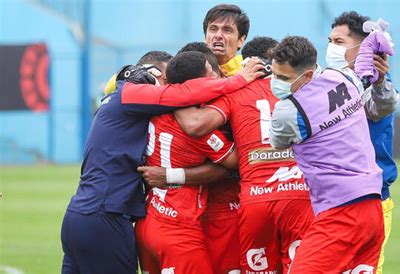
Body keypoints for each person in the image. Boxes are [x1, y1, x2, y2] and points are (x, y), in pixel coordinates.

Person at [60, 50, 264, 273]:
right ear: (151, 73)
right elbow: (186, 98)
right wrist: (240, 80)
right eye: (168, 80)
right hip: (109, 218)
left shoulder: (126, 104)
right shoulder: (133, 95)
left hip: (83, 216)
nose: (170, 85)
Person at [172, 36, 314, 273]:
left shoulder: (235, 91)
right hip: (299, 197)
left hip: (256, 201)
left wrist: (170, 92)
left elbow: (195, 124)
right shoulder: (301, 89)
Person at [268, 36, 384, 273]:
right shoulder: (342, 77)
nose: (274, 83)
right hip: (373, 207)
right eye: (273, 74)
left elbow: (278, 143)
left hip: (341, 212)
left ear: (308, 75)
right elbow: (361, 77)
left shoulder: (289, 110)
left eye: (283, 78)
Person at [135, 51, 238, 274]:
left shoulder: (157, 107)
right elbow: (234, 161)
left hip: (148, 218)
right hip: (178, 228)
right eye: (212, 78)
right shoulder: (199, 129)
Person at [327, 11, 399, 273]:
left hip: (372, 200)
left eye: (339, 42)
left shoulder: (377, 85)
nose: (330, 48)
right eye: (330, 40)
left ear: (361, 47)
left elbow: (382, 105)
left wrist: (379, 80)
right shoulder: (326, 82)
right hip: (332, 200)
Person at [203, 4, 249, 76]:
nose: (218, 35)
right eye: (213, 29)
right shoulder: (193, 72)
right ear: (205, 37)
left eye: (227, 30)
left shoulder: (249, 73)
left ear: (240, 40)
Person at [103, 50, 173, 95]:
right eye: (166, 80)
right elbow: (109, 91)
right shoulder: (126, 101)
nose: (171, 86)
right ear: (149, 75)